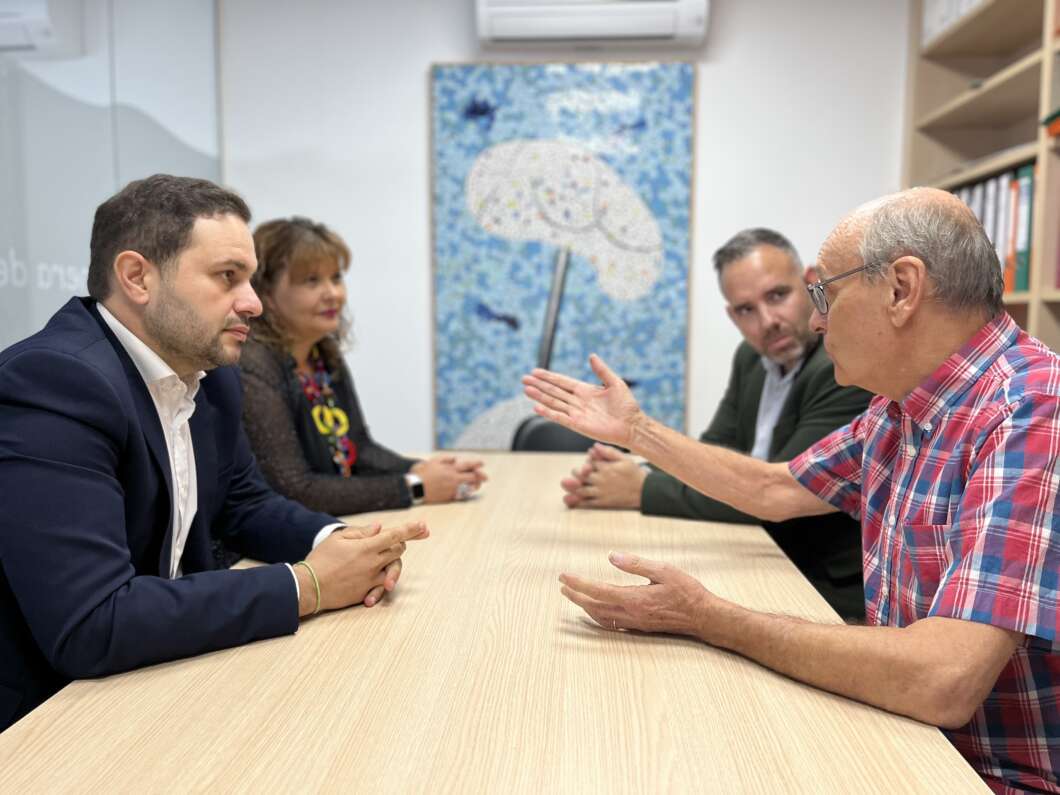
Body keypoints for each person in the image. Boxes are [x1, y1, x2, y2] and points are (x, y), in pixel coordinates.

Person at [523, 188, 1059, 792]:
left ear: (901, 289)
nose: (816, 319)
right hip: (907, 735)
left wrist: (709, 618)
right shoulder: (898, 408)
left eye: (825, 293)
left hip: (988, 776)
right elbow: (774, 489)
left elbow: (942, 679)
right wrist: (637, 431)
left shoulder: (1031, 412)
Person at [0, 175, 429, 733]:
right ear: (137, 277)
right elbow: (94, 622)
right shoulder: (54, 383)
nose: (253, 303)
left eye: (249, 278)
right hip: (46, 720)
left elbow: (246, 506)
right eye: (228, 277)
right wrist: (310, 584)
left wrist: (344, 543)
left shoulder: (210, 375)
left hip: (157, 678)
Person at [560, 228, 871, 618]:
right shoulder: (751, 358)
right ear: (732, 316)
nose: (768, 321)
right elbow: (715, 449)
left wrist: (642, 488)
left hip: (819, 585)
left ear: (811, 283)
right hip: (759, 557)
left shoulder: (841, 369)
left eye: (778, 296)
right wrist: (635, 469)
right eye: (746, 310)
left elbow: (773, 493)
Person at [236, 216, 486, 523]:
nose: (333, 293)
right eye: (312, 280)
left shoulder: (323, 355)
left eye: (336, 278)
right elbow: (295, 489)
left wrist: (423, 470)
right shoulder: (252, 366)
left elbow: (360, 449)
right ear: (265, 293)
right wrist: (416, 487)